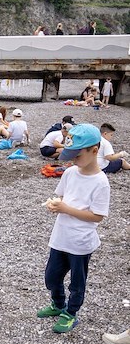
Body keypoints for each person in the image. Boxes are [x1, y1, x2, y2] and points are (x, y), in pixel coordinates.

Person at [38, 124, 110, 333]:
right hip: (60, 236)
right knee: (51, 277)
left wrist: (66, 209)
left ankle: (71, 313)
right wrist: (56, 205)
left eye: (77, 155)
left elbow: (98, 216)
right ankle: (58, 304)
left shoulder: (101, 182)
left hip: (81, 242)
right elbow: (62, 198)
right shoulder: (70, 172)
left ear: (94, 151)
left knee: (77, 283)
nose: (72, 160)